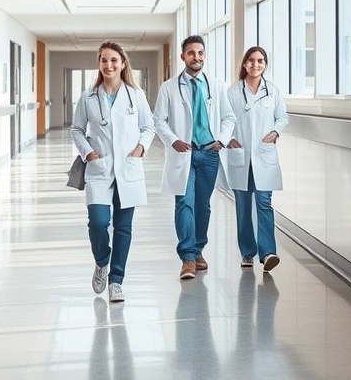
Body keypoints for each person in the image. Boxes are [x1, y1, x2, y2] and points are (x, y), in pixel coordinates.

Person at [70, 42, 155, 303]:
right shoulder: (88, 97)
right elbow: (76, 129)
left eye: (114, 60)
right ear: (99, 64)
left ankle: (116, 281)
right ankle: (101, 260)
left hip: (128, 168)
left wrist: (141, 148)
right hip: (100, 168)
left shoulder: (135, 95)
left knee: (123, 227)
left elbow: (148, 127)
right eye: (104, 60)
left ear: (123, 63)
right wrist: (89, 153)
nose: (109, 65)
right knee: (97, 221)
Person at [154, 35, 236, 280]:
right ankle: (188, 257)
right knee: (184, 203)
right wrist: (173, 140)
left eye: (200, 53)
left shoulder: (217, 85)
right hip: (184, 154)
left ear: (205, 55)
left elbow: (228, 117)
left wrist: (220, 140)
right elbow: (159, 120)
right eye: (191, 53)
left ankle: (198, 249)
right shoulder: (169, 87)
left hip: (209, 154)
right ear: (183, 57)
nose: (196, 57)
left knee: (203, 205)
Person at [220, 46, 289, 272]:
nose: (255, 64)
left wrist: (276, 132)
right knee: (243, 206)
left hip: (263, 155)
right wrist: (229, 138)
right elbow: (223, 119)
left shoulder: (273, 91)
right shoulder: (232, 92)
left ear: (265, 64)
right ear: (244, 64)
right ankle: (248, 252)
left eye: (260, 61)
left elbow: (282, 117)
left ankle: (268, 252)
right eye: (251, 60)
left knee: (264, 204)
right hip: (240, 156)